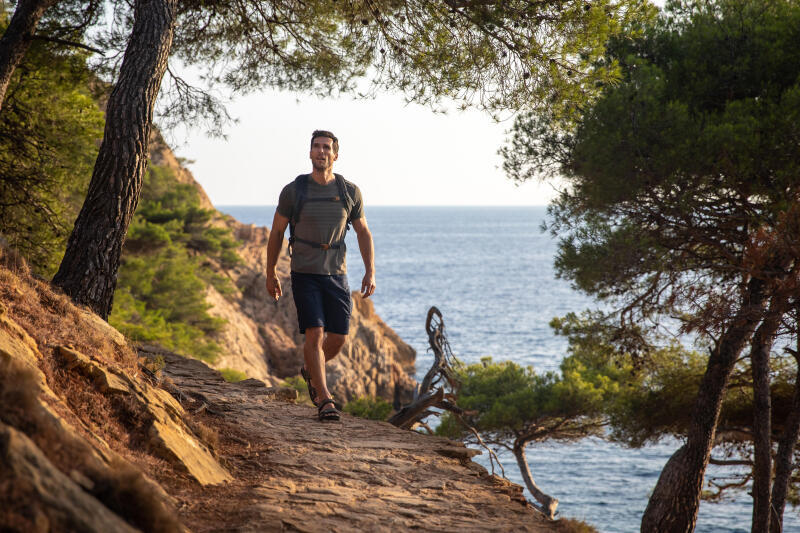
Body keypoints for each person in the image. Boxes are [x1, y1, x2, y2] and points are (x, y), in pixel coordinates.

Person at [265, 130, 375, 422]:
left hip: (337, 273)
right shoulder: (294, 190)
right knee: (314, 333)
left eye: (327, 148)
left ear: (335, 155)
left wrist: (370, 271)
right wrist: (270, 272)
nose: (321, 151)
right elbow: (277, 232)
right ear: (310, 153)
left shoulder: (350, 191)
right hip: (304, 273)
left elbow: (363, 232)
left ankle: (310, 370)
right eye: (316, 147)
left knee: (338, 337)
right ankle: (325, 398)